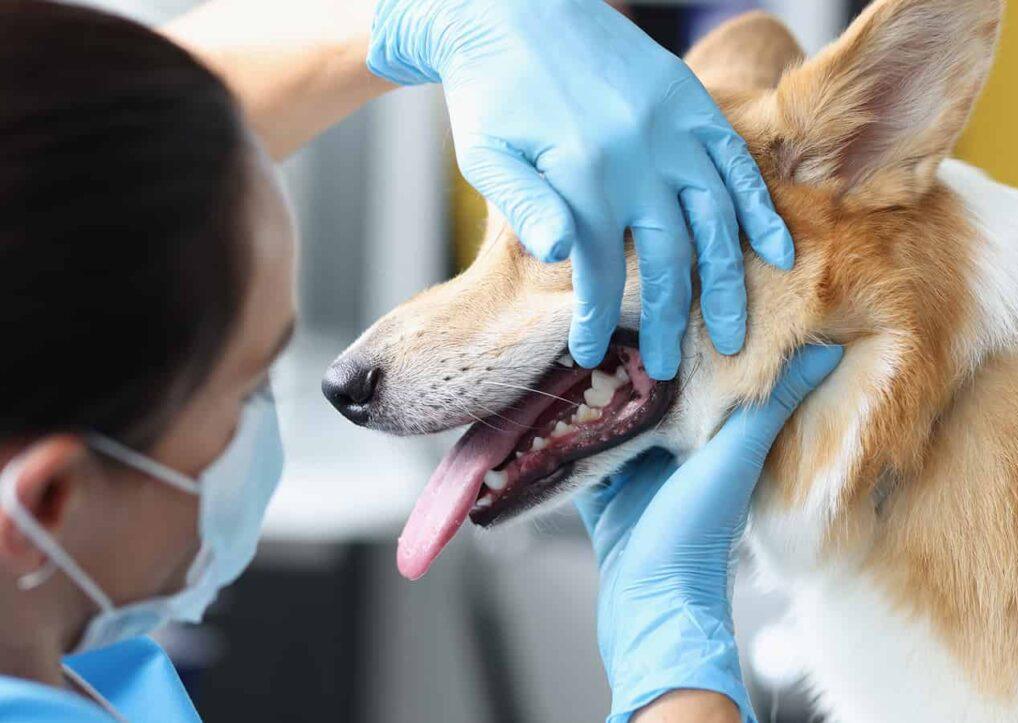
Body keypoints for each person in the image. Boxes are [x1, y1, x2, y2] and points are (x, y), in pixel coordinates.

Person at [0, 1, 841, 721]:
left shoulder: (49, 631)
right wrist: (676, 668)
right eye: (250, 381)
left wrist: (450, 16)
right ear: (49, 498)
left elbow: (86, 155)